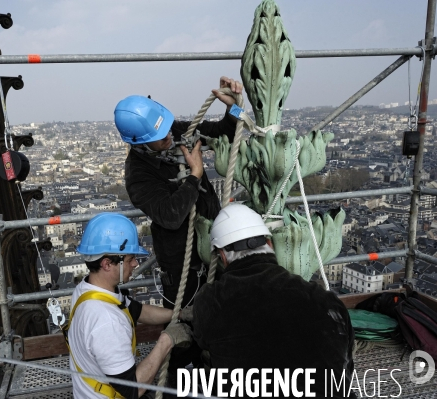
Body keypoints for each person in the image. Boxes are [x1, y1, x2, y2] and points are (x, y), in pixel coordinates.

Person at [114, 76, 242, 393]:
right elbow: (170, 216)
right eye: (160, 139)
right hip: (181, 262)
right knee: (186, 330)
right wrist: (195, 175)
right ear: (139, 144)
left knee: (226, 315)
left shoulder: (173, 131)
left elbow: (225, 135)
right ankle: (178, 385)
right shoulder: (138, 177)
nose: (170, 138)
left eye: (169, 129)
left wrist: (235, 108)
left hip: (213, 241)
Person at [192, 204, 355, 397]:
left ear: (223, 257)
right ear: (269, 244)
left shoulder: (211, 301)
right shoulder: (327, 301)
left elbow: (203, 341)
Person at [68, 213, 193, 399]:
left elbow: (139, 311)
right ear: (107, 264)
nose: (135, 263)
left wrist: (179, 314)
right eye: (129, 259)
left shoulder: (88, 291)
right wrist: (167, 341)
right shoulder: (106, 320)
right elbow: (133, 390)